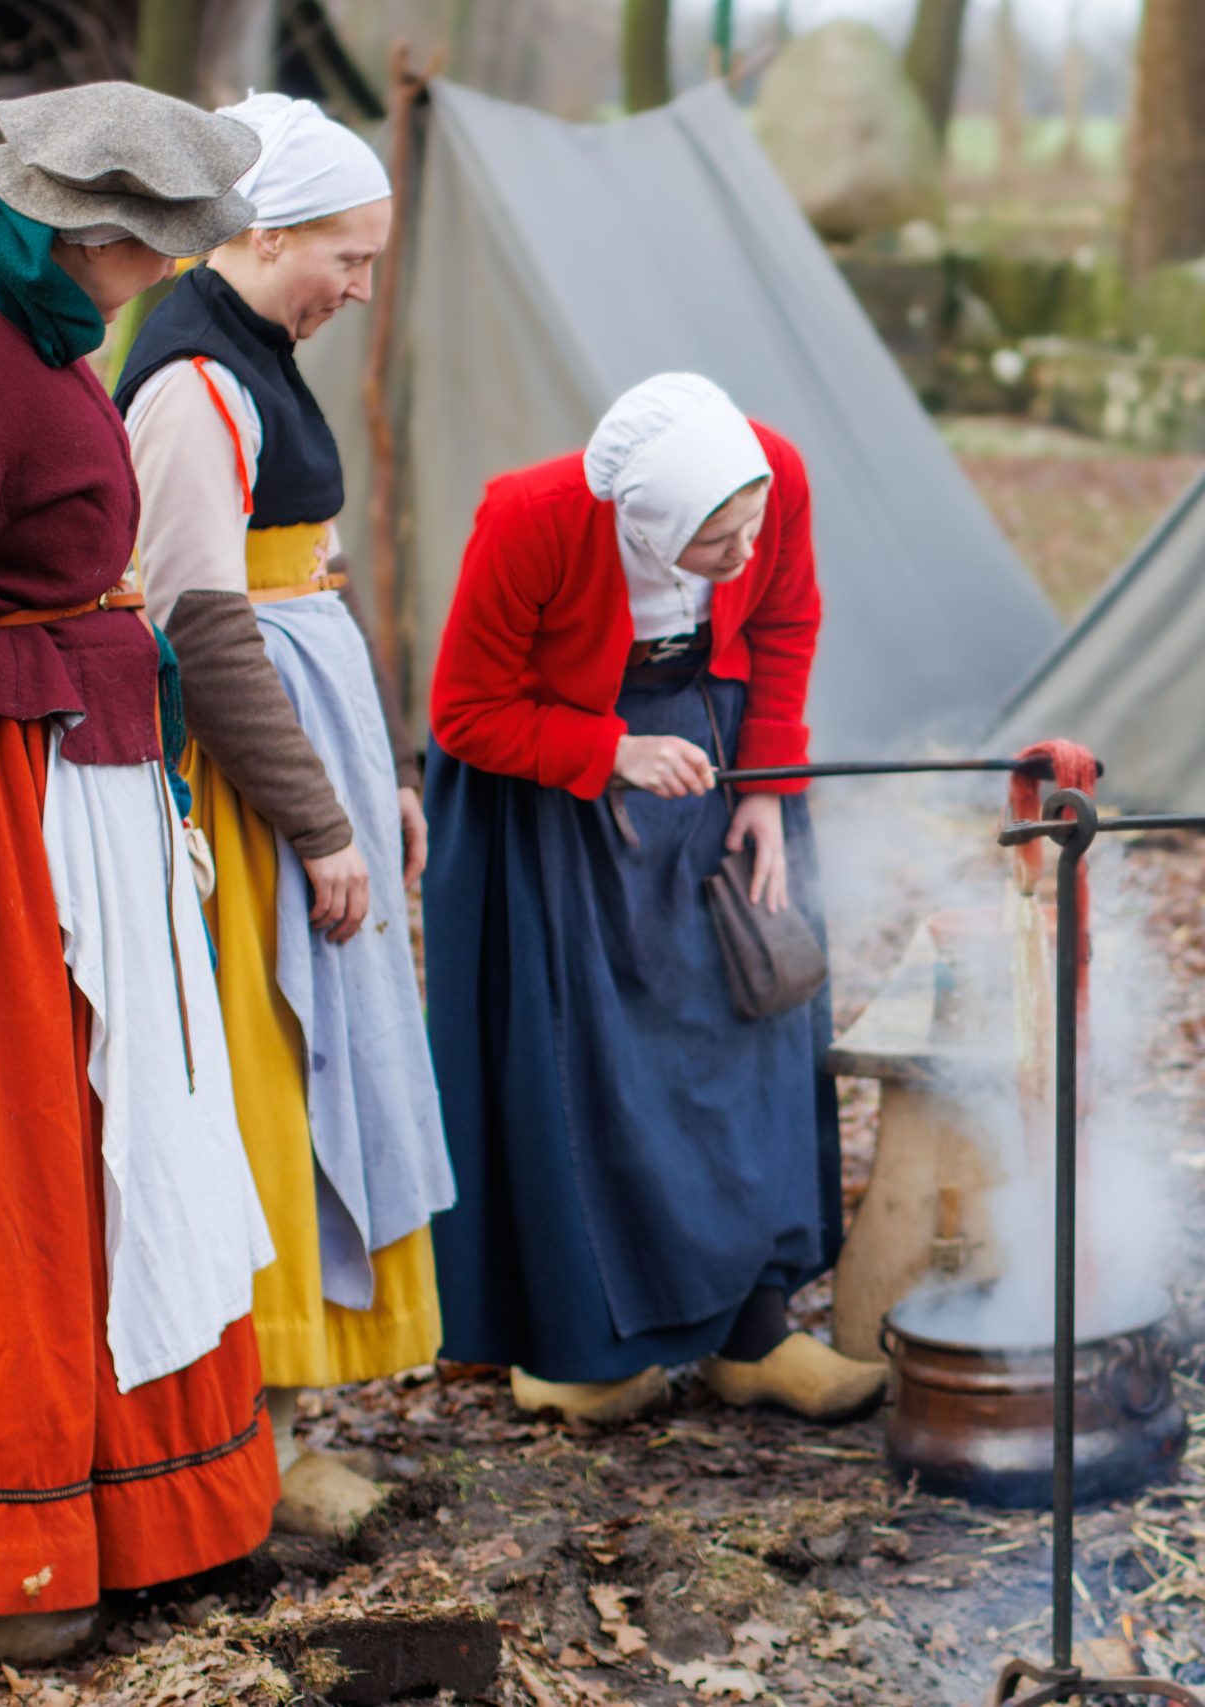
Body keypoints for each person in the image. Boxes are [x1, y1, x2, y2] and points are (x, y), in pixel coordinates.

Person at [0, 83, 279, 1664]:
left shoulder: (28, 321)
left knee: (112, 1145)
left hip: (68, 788)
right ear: (94, 231)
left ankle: (137, 1497)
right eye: (153, 252)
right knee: (1, 1169)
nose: (160, 277)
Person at [113, 93, 454, 1542]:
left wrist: (376, 790)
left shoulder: (259, 349)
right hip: (245, 811)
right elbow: (201, 617)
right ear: (261, 232)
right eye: (350, 256)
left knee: (327, 1074)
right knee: (269, 1087)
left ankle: (296, 1415)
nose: (363, 288)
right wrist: (317, 824)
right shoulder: (191, 382)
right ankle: (245, 1427)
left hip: (311, 785)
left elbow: (302, 578)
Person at [422, 374, 887, 1426]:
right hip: (559, 787)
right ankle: (581, 1345)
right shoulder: (532, 518)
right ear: (647, 521)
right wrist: (611, 752)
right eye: (715, 546)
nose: (742, 559)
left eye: (749, 530)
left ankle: (753, 1331)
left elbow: (786, 625)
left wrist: (767, 790)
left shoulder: (772, 474)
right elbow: (464, 712)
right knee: (587, 1065)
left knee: (747, 1029)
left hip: (718, 764)